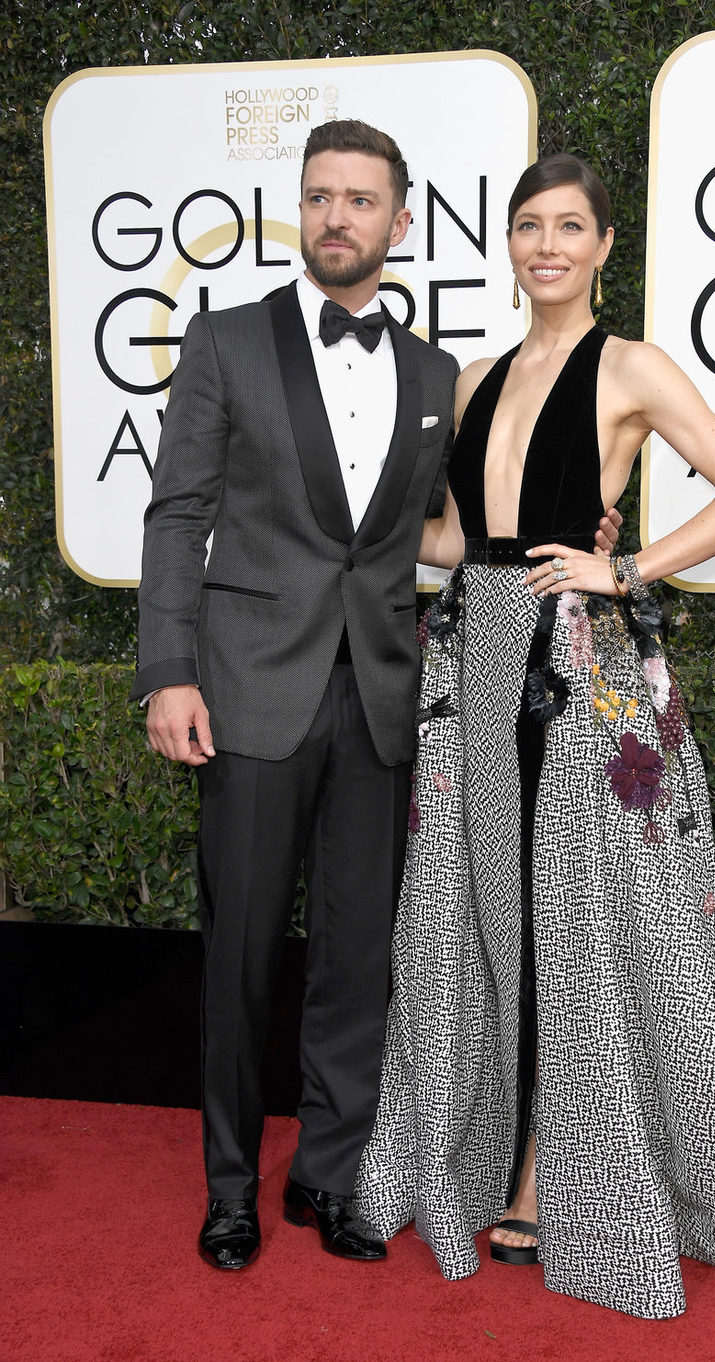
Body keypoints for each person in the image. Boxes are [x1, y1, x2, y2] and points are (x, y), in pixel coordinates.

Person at [355, 153, 715, 1319]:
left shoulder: (630, 366)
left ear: (604, 245)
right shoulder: (475, 374)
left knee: (573, 920)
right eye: (528, 225)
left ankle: (552, 1169)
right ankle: (483, 1147)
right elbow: (451, 538)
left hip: (576, 672)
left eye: (569, 227)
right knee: (481, 914)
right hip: (473, 661)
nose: (546, 245)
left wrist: (622, 566)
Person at [132, 120, 462, 1271]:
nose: (337, 217)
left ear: (398, 222)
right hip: (248, 692)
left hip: (378, 696)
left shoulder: (432, 374)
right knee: (242, 953)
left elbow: (436, 529)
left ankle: (329, 1172)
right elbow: (178, 513)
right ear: (300, 211)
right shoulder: (226, 343)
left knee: (356, 957)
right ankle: (230, 1187)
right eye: (319, 196)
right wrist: (168, 670)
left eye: (361, 200)